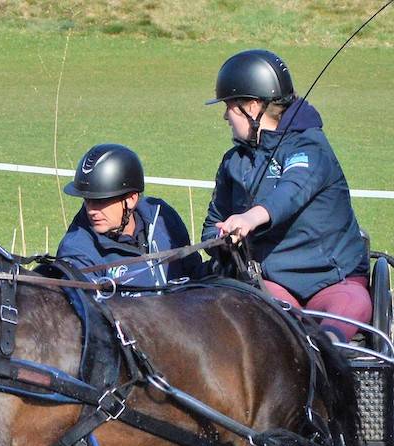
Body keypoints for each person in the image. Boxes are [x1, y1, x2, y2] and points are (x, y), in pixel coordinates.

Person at [202, 49, 372, 342]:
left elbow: (290, 192)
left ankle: (329, 349)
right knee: (257, 308)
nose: (225, 116)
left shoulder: (310, 148)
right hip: (272, 283)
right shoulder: (233, 162)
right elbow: (211, 224)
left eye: (229, 107)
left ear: (252, 107)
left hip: (333, 282)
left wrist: (249, 219)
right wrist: (222, 240)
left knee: (352, 304)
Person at [57, 143, 203, 290]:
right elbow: (89, 304)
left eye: (101, 201)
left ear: (131, 199)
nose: (91, 210)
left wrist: (216, 265)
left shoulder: (162, 216)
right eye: (87, 200)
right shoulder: (77, 251)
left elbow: (194, 274)